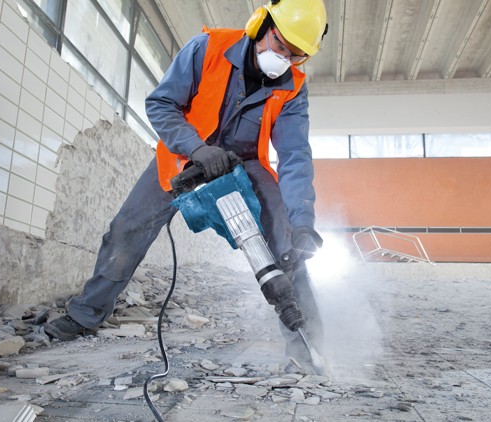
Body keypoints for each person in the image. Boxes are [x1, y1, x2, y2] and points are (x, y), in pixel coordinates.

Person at [45, 0, 328, 363]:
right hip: (184, 154)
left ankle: (310, 345)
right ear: (261, 25)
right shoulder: (207, 48)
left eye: (296, 55)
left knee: (289, 242)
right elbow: (161, 104)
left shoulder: (293, 87)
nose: (283, 61)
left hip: (245, 162)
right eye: (280, 46)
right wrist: (197, 149)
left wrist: (303, 223)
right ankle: (85, 314)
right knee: (126, 232)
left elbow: (294, 157)